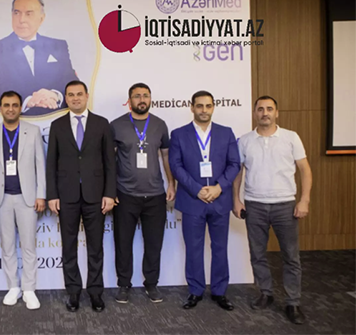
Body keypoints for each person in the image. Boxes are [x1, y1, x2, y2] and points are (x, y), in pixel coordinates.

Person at [233, 96, 312, 325]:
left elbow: (305, 170)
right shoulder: (245, 141)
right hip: (254, 205)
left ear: (277, 112)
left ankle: (293, 302)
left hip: (285, 205)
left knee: (291, 256)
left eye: (269, 109)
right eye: (260, 109)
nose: (265, 113)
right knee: (257, 254)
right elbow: (237, 172)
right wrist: (236, 200)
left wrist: (304, 200)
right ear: (255, 113)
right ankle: (266, 293)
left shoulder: (291, 137)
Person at [46, 80, 116, 312]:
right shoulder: (57, 125)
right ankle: (73, 292)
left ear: (87, 96)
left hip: (95, 195)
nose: (75, 98)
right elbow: (51, 163)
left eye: (79, 94)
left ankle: (95, 292)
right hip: (66, 196)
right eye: (71, 95)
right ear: (65, 98)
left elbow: (110, 162)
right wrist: (52, 194)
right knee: (69, 247)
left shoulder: (101, 123)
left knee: (95, 247)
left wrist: (109, 193)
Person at [169, 90, 240, 311]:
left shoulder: (226, 133)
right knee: (194, 248)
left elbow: (234, 164)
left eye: (208, 106)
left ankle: (219, 291)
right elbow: (176, 166)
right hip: (193, 200)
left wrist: (219, 188)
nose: (204, 110)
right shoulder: (178, 134)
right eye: (199, 106)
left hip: (220, 200)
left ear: (213, 107)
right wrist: (197, 190)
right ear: (192, 107)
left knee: (220, 247)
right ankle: (195, 290)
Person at [111, 83, 176, 304]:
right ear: (129, 101)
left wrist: (171, 183)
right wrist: (110, 191)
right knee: (123, 244)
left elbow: (166, 156)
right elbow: (109, 161)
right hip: (125, 194)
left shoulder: (159, 125)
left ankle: (151, 284)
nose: (141, 99)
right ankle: (123, 284)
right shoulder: (116, 125)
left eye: (145, 95)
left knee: (154, 244)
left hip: (155, 195)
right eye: (137, 96)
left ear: (150, 99)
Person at [0, 90, 46, 310]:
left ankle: (29, 289)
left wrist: (41, 194)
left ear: (21, 108)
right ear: (0, 108)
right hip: (1, 198)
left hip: (27, 198)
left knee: (29, 246)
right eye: (6, 105)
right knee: (8, 246)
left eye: (14, 105)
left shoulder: (33, 131)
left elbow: (40, 165)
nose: (10, 109)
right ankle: (13, 286)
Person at [0, 0, 79, 116]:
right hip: (14, 118)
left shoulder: (58, 45)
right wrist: (28, 101)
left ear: (41, 18)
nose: (21, 20)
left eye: (29, 14)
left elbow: (70, 79)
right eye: (17, 13)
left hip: (56, 116)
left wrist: (54, 94)